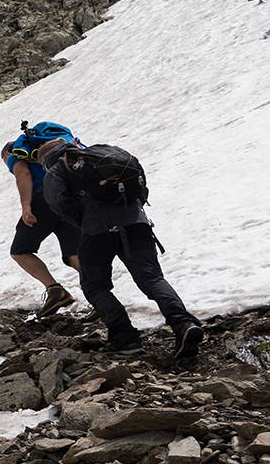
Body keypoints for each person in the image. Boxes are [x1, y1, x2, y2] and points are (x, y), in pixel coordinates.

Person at [40, 138, 203, 357]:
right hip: (138, 224)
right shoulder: (105, 154)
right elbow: (139, 184)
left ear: (44, 160)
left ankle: (125, 338)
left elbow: (58, 202)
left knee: (95, 286)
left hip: (98, 232)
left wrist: (84, 219)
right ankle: (183, 324)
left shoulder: (57, 169)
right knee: (151, 278)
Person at [2, 120, 81, 317]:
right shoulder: (44, 149)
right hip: (66, 198)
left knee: (19, 251)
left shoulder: (15, 154)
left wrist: (26, 206)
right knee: (74, 252)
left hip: (43, 200)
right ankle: (100, 296)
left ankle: (55, 290)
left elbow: (23, 173)